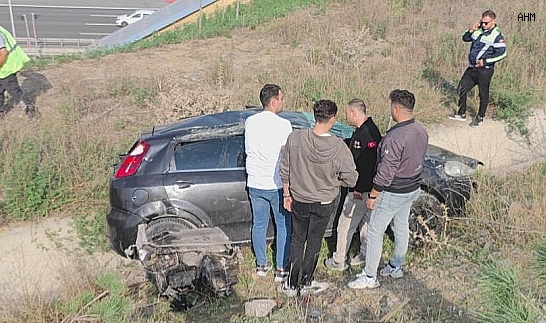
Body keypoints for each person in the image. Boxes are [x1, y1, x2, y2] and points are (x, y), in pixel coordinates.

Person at [348, 89, 428, 289]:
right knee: (401, 227)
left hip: (393, 191)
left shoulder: (395, 137)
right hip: (412, 188)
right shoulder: (420, 130)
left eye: (391, 106)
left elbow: (385, 171)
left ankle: (369, 276)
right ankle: (395, 266)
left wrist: (373, 195)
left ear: (397, 108)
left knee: (375, 231)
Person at [280, 99, 358, 297]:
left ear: (314, 116)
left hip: (299, 199)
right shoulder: (339, 147)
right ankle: (306, 283)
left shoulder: (295, 138)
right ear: (333, 119)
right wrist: (337, 180)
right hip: (324, 202)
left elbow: (285, 169)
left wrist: (286, 194)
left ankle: (290, 284)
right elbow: (351, 179)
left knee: (297, 240)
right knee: (314, 241)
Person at [324, 98, 381, 271]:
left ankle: (339, 260)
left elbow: (368, 165)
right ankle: (364, 253)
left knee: (345, 225)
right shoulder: (364, 130)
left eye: (347, 113)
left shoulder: (368, 134)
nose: (346, 116)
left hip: (360, 190)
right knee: (365, 223)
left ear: (354, 113)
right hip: (366, 190)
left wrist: (358, 188)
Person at [245, 84, 293, 282]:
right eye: (281, 98)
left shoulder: (250, 121)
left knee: (259, 224)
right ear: (273, 102)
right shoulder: (284, 125)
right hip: (276, 184)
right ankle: (281, 268)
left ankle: (261, 265)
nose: (283, 102)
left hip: (255, 182)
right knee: (283, 226)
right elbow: (286, 156)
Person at [448, 10, 506, 128]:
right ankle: (462, 113)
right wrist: (471, 30)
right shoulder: (478, 29)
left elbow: (502, 53)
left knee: (483, 94)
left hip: (485, 70)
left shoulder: (497, 36)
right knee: (461, 89)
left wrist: (485, 61)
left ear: (493, 21)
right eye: (482, 22)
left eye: (486, 23)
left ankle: (480, 117)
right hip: (472, 68)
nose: (483, 25)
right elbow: (465, 38)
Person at [0, 25, 35, 119]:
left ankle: (30, 110)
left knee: (14, 91)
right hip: (6, 66)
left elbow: (3, 53)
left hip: (6, 67)